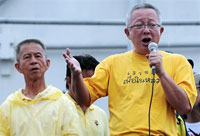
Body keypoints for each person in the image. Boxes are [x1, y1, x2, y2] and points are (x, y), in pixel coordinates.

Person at [63, 3, 197, 136]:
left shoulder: (178, 61)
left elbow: (184, 107)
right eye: (139, 25)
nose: (146, 30)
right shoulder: (112, 63)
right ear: (128, 33)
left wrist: (161, 72)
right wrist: (77, 75)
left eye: (151, 24)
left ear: (161, 30)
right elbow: (83, 99)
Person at [0, 39, 81, 136]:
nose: (33, 61)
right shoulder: (9, 106)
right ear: (18, 67)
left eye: (38, 56)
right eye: (27, 57)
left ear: (47, 64)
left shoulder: (63, 103)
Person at [65, 55, 109, 136]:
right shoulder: (57, 108)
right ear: (69, 81)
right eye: (83, 82)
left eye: (92, 83)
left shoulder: (101, 114)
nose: (87, 88)